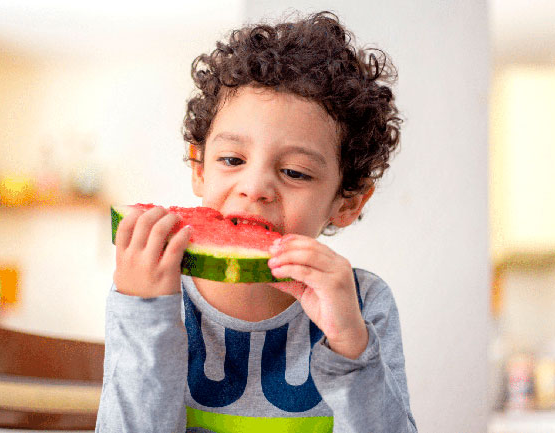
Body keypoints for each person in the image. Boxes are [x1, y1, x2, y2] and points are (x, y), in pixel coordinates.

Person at [96, 11, 418, 433]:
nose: (255, 187)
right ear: (199, 168)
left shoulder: (362, 303)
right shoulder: (152, 289)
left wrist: (351, 349)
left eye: (296, 173)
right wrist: (146, 317)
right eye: (232, 160)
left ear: (348, 201)